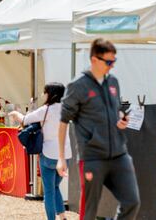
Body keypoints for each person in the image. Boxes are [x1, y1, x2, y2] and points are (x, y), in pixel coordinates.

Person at [57, 38, 140, 220]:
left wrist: (120, 119)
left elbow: (114, 110)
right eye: (108, 62)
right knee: (89, 212)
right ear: (94, 59)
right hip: (93, 156)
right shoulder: (78, 86)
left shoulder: (113, 82)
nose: (112, 66)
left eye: (114, 61)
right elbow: (63, 121)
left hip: (119, 154)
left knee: (132, 202)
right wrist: (61, 158)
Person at [9, 83, 72, 220]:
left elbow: (24, 120)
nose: (44, 95)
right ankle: (62, 216)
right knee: (55, 186)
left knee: (49, 191)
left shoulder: (46, 110)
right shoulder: (67, 109)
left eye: (45, 92)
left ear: (51, 94)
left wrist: (15, 113)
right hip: (65, 155)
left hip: (49, 155)